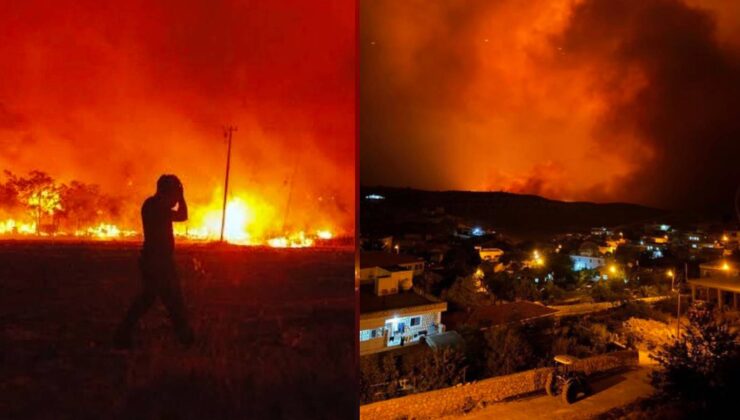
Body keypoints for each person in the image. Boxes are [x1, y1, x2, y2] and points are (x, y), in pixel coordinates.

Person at [114, 174, 194, 348]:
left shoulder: (155, 205)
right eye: (173, 193)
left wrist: (179, 196)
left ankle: (185, 337)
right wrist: (181, 197)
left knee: (164, 299)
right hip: (157, 262)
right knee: (166, 299)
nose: (175, 198)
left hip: (159, 261)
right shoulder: (155, 206)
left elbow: (182, 215)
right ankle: (185, 337)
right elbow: (182, 215)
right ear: (166, 191)